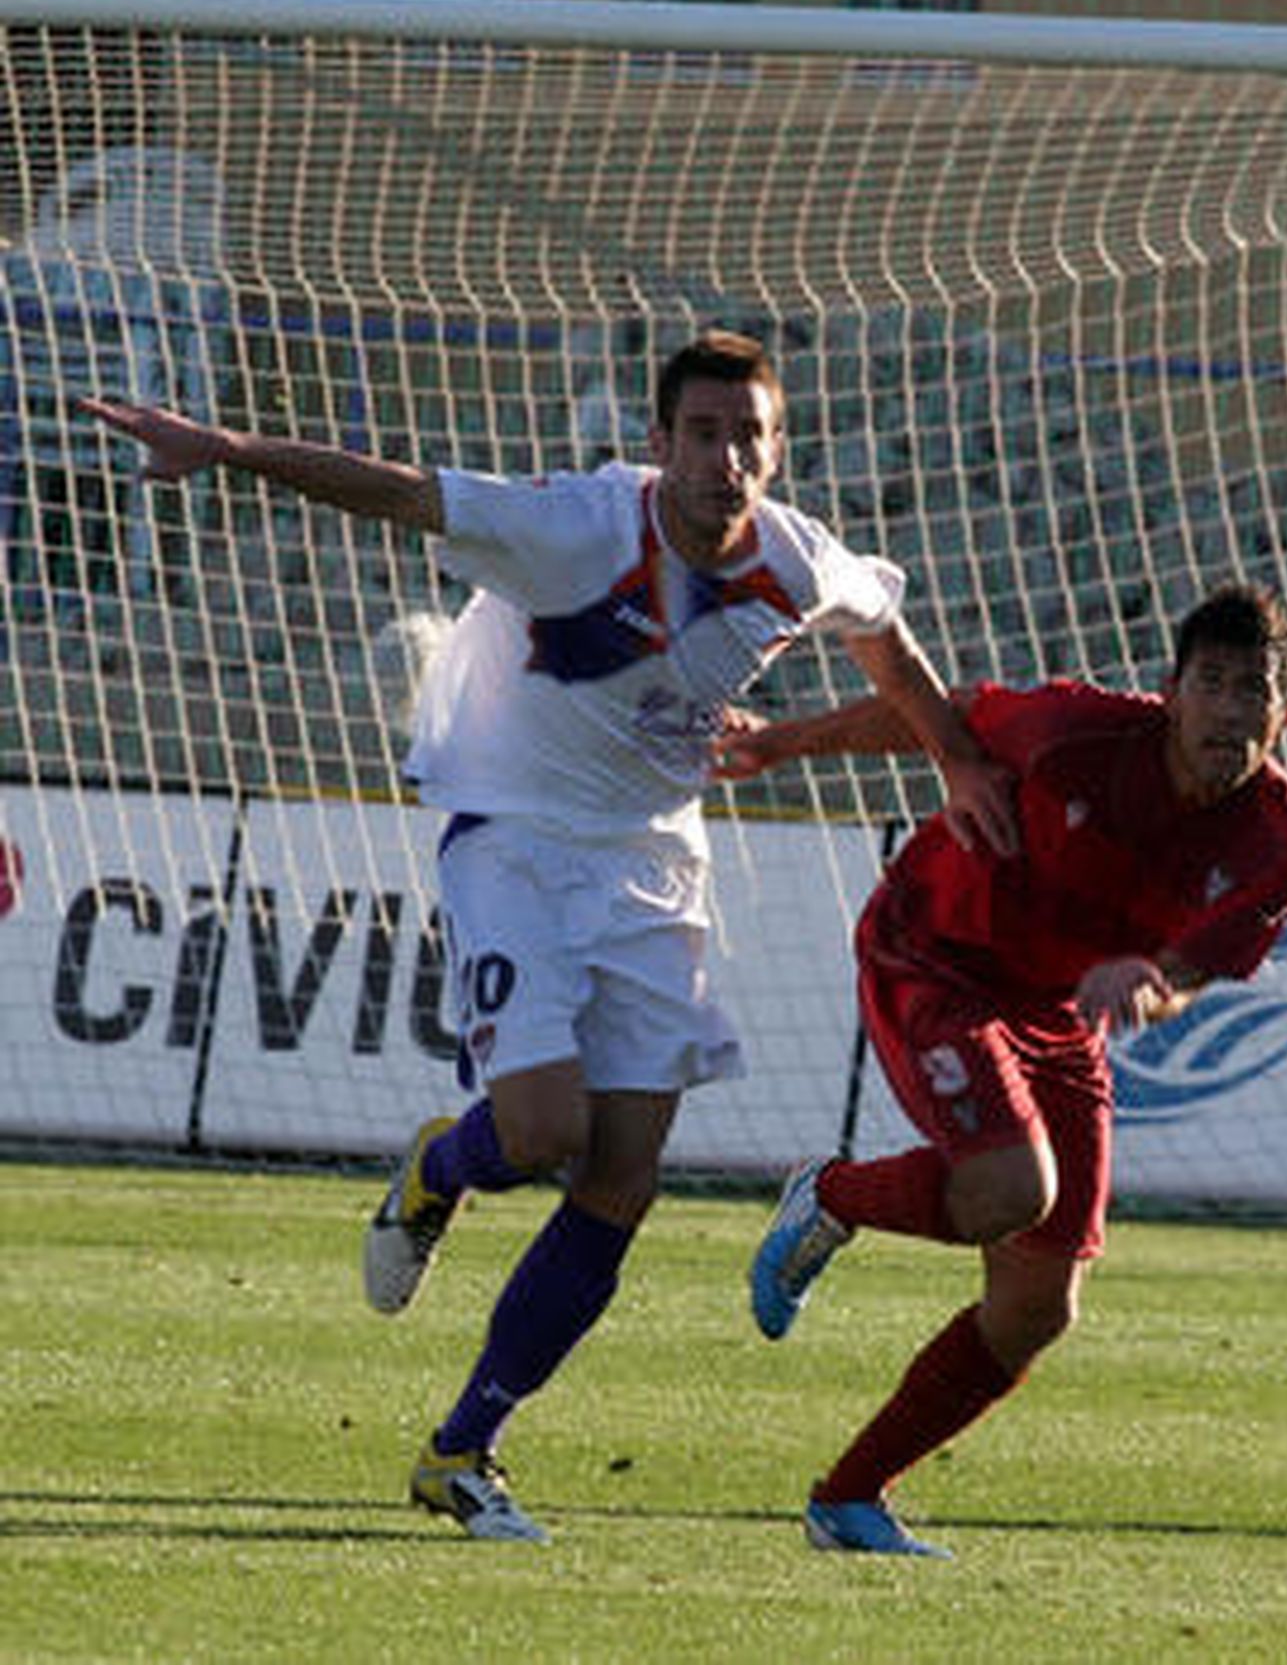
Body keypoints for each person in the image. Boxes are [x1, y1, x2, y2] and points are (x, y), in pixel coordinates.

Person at [80, 328, 1017, 1544]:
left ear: (777, 449)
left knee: (623, 1177)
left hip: (653, 866)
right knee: (536, 1132)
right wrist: (226, 446)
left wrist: (953, 756)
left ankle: (461, 1449)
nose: (726, 458)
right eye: (702, 432)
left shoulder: (796, 556)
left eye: (749, 435)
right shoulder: (573, 525)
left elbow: (882, 634)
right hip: (514, 836)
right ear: (658, 441)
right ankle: (440, 1167)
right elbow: (402, 491)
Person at [718, 581, 1287, 1559]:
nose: (1228, 709)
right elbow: (942, 715)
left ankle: (849, 1498)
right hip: (934, 955)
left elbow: (1189, 971)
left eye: (1252, 689)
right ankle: (828, 1195)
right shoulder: (1075, 731)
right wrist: (784, 743)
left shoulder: (1284, 841)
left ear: (1284, 715)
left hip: (1053, 1010)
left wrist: (1152, 982)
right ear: (1170, 691)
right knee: (1008, 1187)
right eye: (1211, 682)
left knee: (1039, 1303)